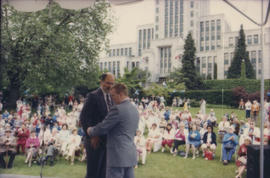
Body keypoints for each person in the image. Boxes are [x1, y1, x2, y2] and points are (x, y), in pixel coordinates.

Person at [87, 83, 139, 178]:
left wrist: (90, 130)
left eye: (113, 95)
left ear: (120, 94)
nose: (111, 98)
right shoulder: (134, 109)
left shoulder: (117, 109)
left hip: (117, 156)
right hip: (130, 154)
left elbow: (103, 127)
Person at [80, 73, 115, 178]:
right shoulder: (93, 96)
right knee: (93, 172)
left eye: (112, 84)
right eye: (108, 83)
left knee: (103, 173)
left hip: (108, 141)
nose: (110, 86)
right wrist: (92, 136)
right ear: (101, 82)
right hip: (95, 140)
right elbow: (84, 118)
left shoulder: (112, 97)